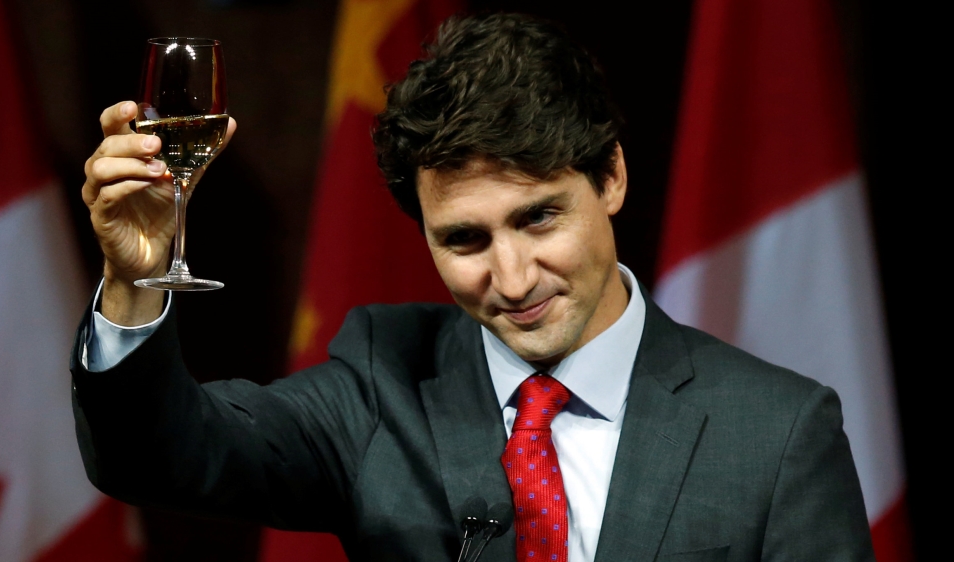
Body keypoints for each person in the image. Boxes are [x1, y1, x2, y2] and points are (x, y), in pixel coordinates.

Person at [72, 13, 874, 562]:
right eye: (465, 239)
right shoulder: (381, 386)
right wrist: (132, 277)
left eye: (538, 219)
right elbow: (156, 458)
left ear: (611, 178)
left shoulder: (778, 432)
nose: (513, 279)